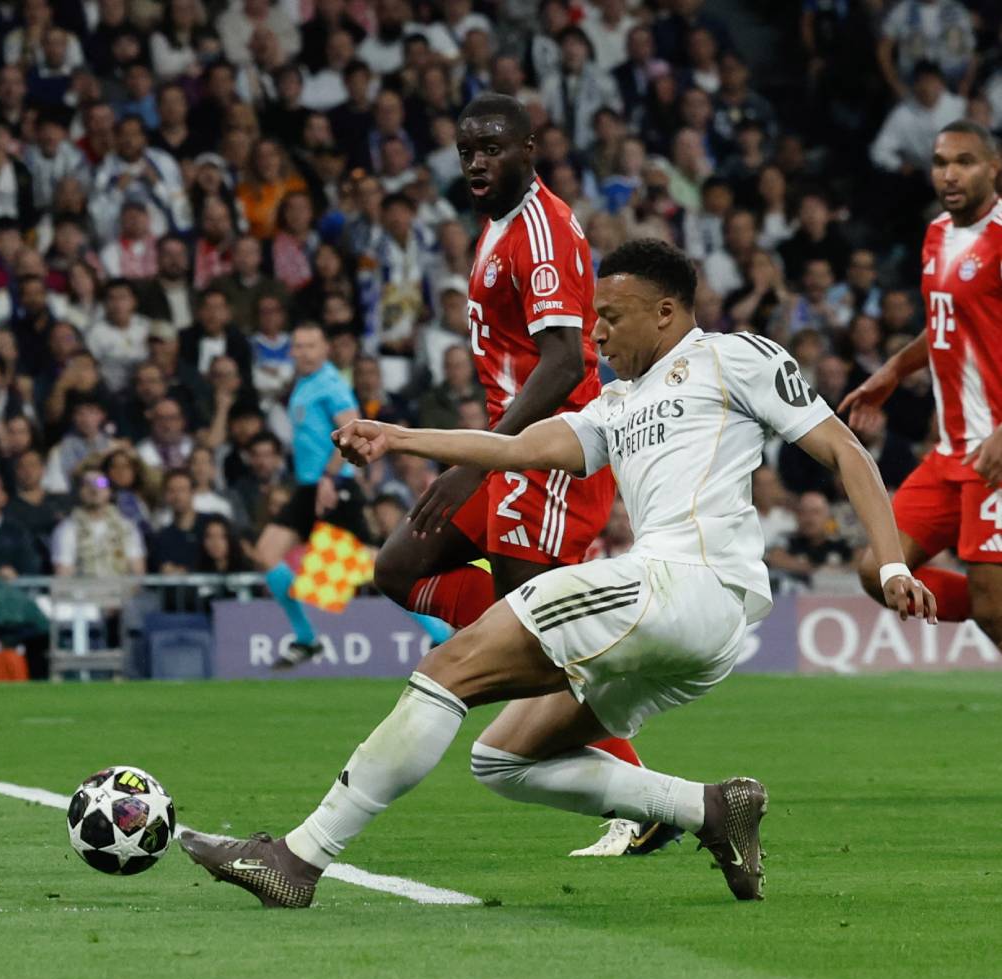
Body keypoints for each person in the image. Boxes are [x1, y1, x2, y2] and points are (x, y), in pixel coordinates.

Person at [179, 239, 937, 907]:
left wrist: (894, 559)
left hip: (683, 584)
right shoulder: (616, 404)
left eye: (612, 313)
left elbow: (845, 450)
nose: (597, 329)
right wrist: (397, 435)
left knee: (449, 667)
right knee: (502, 758)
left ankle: (298, 859)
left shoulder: (729, 356)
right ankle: (712, 810)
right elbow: (513, 450)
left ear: (668, 312)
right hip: (698, 629)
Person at [364, 93, 660, 857]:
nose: (476, 161)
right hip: (510, 452)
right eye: (466, 148)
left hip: (549, 456)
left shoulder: (544, 231)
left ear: (531, 148)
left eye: (492, 146)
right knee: (400, 567)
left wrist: (471, 462)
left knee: (532, 638)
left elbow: (566, 362)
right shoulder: (500, 223)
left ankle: (640, 798)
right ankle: (591, 678)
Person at [840, 121, 1002, 649]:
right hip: (949, 453)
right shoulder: (937, 234)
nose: (949, 174)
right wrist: (890, 372)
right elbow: (946, 320)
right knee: (879, 570)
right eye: (940, 163)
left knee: (992, 605)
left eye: (965, 161)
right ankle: (990, 605)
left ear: (993, 167)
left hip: (994, 453)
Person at [255, 324, 367, 670]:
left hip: (333, 486)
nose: (303, 352)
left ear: (325, 350)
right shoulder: (304, 385)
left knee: (373, 568)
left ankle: (439, 632)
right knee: (266, 554)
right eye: (298, 346)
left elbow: (353, 432)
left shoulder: (332, 385)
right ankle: (305, 639)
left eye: (311, 346)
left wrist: (331, 477)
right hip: (308, 487)